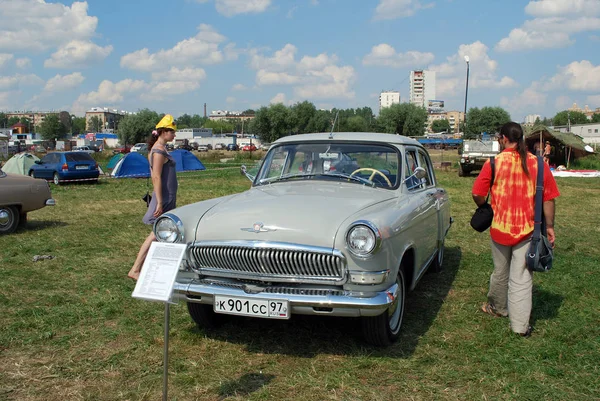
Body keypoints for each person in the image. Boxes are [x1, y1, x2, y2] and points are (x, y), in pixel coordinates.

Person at [472, 122, 560, 337]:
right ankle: (520, 327)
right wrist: (549, 226)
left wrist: (484, 207)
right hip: (529, 229)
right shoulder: (538, 163)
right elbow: (548, 199)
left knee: (500, 272)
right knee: (521, 277)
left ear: (503, 138)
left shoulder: (493, 163)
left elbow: (477, 193)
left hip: (499, 228)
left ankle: (497, 308)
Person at [128, 115, 178, 280]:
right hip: (164, 197)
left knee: (165, 232)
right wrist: (160, 201)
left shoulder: (159, 149)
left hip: (166, 196)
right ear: (163, 132)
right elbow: (155, 177)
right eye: (172, 132)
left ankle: (158, 267)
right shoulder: (158, 151)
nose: (174, 135)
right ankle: (136, 269)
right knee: (158, 233)